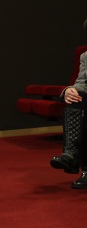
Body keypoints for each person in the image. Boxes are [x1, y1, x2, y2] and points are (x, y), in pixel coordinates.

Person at [49, 48, 87, 189]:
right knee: (77, 98)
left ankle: (73, 156)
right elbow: (82, 83)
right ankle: (71, 154)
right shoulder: (86, 56)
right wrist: (69, 91)